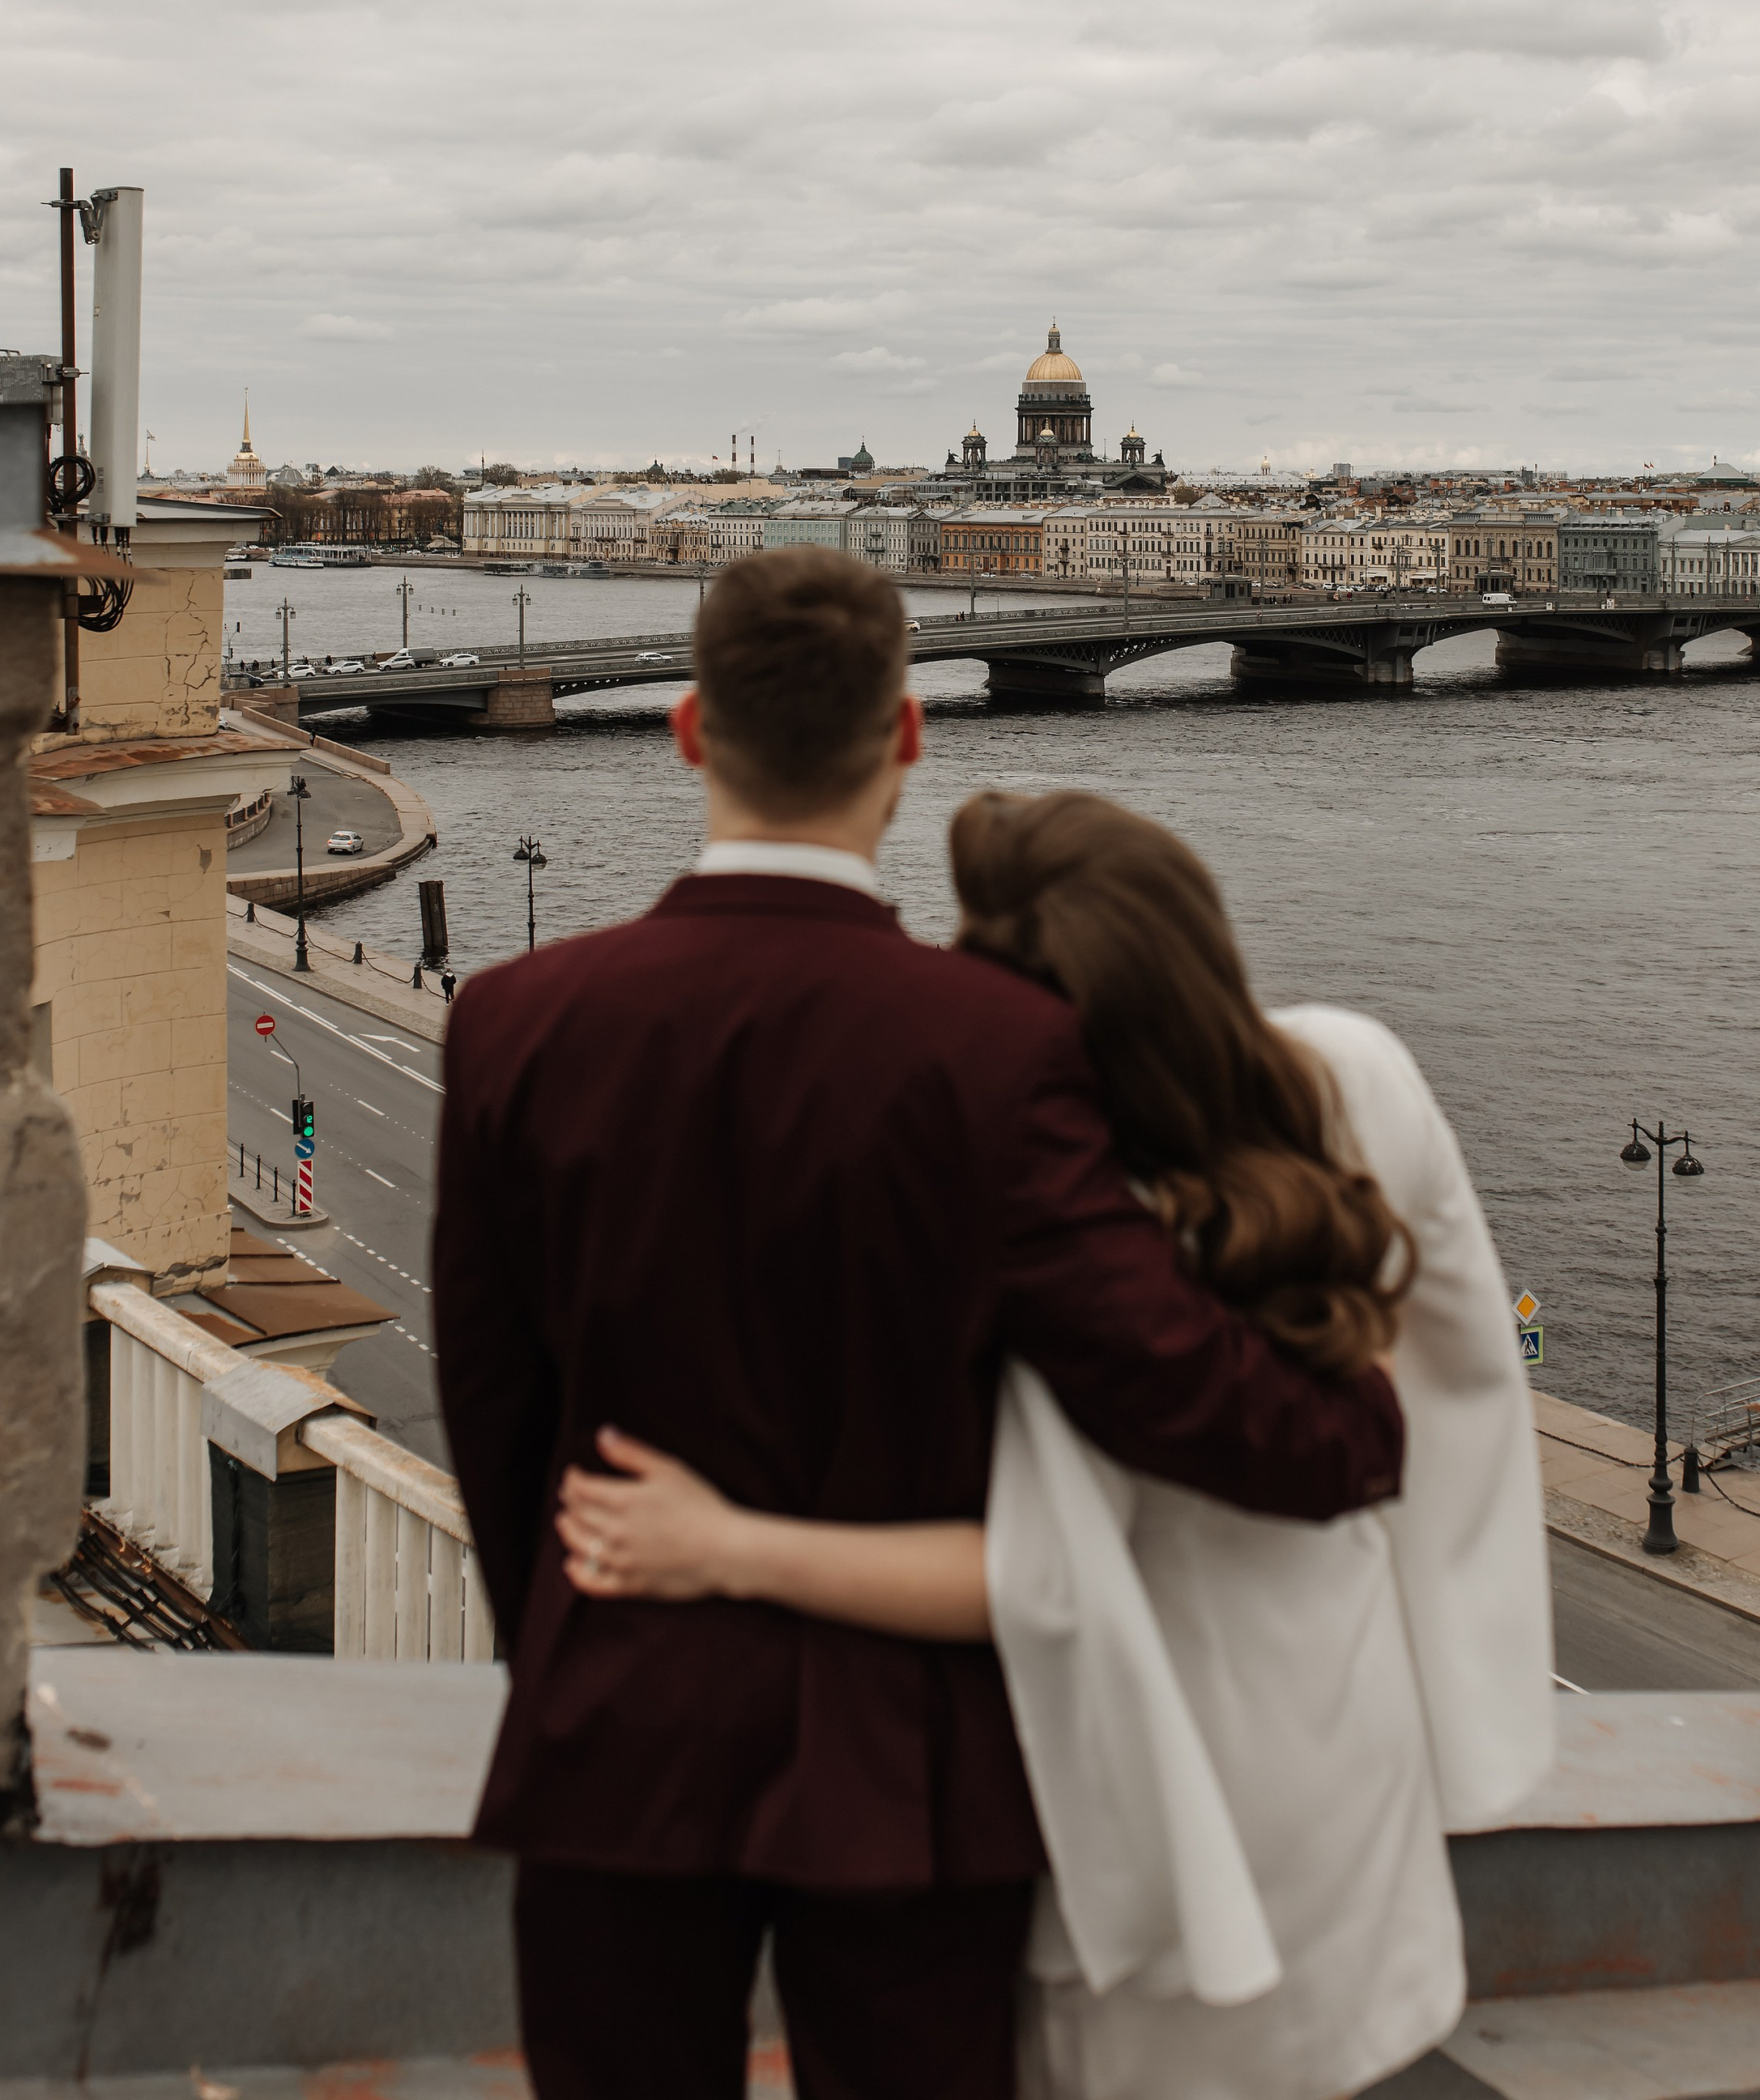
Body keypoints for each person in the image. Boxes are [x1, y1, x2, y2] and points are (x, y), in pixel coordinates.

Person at [433, 556, 1408, 2100]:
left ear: (688, 732)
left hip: (614, 1731)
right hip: (915, 1783)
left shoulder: (516, 1022)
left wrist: (567, 1654)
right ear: (907, 738)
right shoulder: (1004, 1049)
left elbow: (494, 1420)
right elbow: (1164, 1380)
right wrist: (1353, 1421)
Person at [560, 789, 1553, 2100]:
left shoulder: (1069, 1233)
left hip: (1162, 1814)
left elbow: (1035, 1580)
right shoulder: (1356, 1074)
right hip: (1352, 1762)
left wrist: (730, 1547)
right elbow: (1465, 1371)